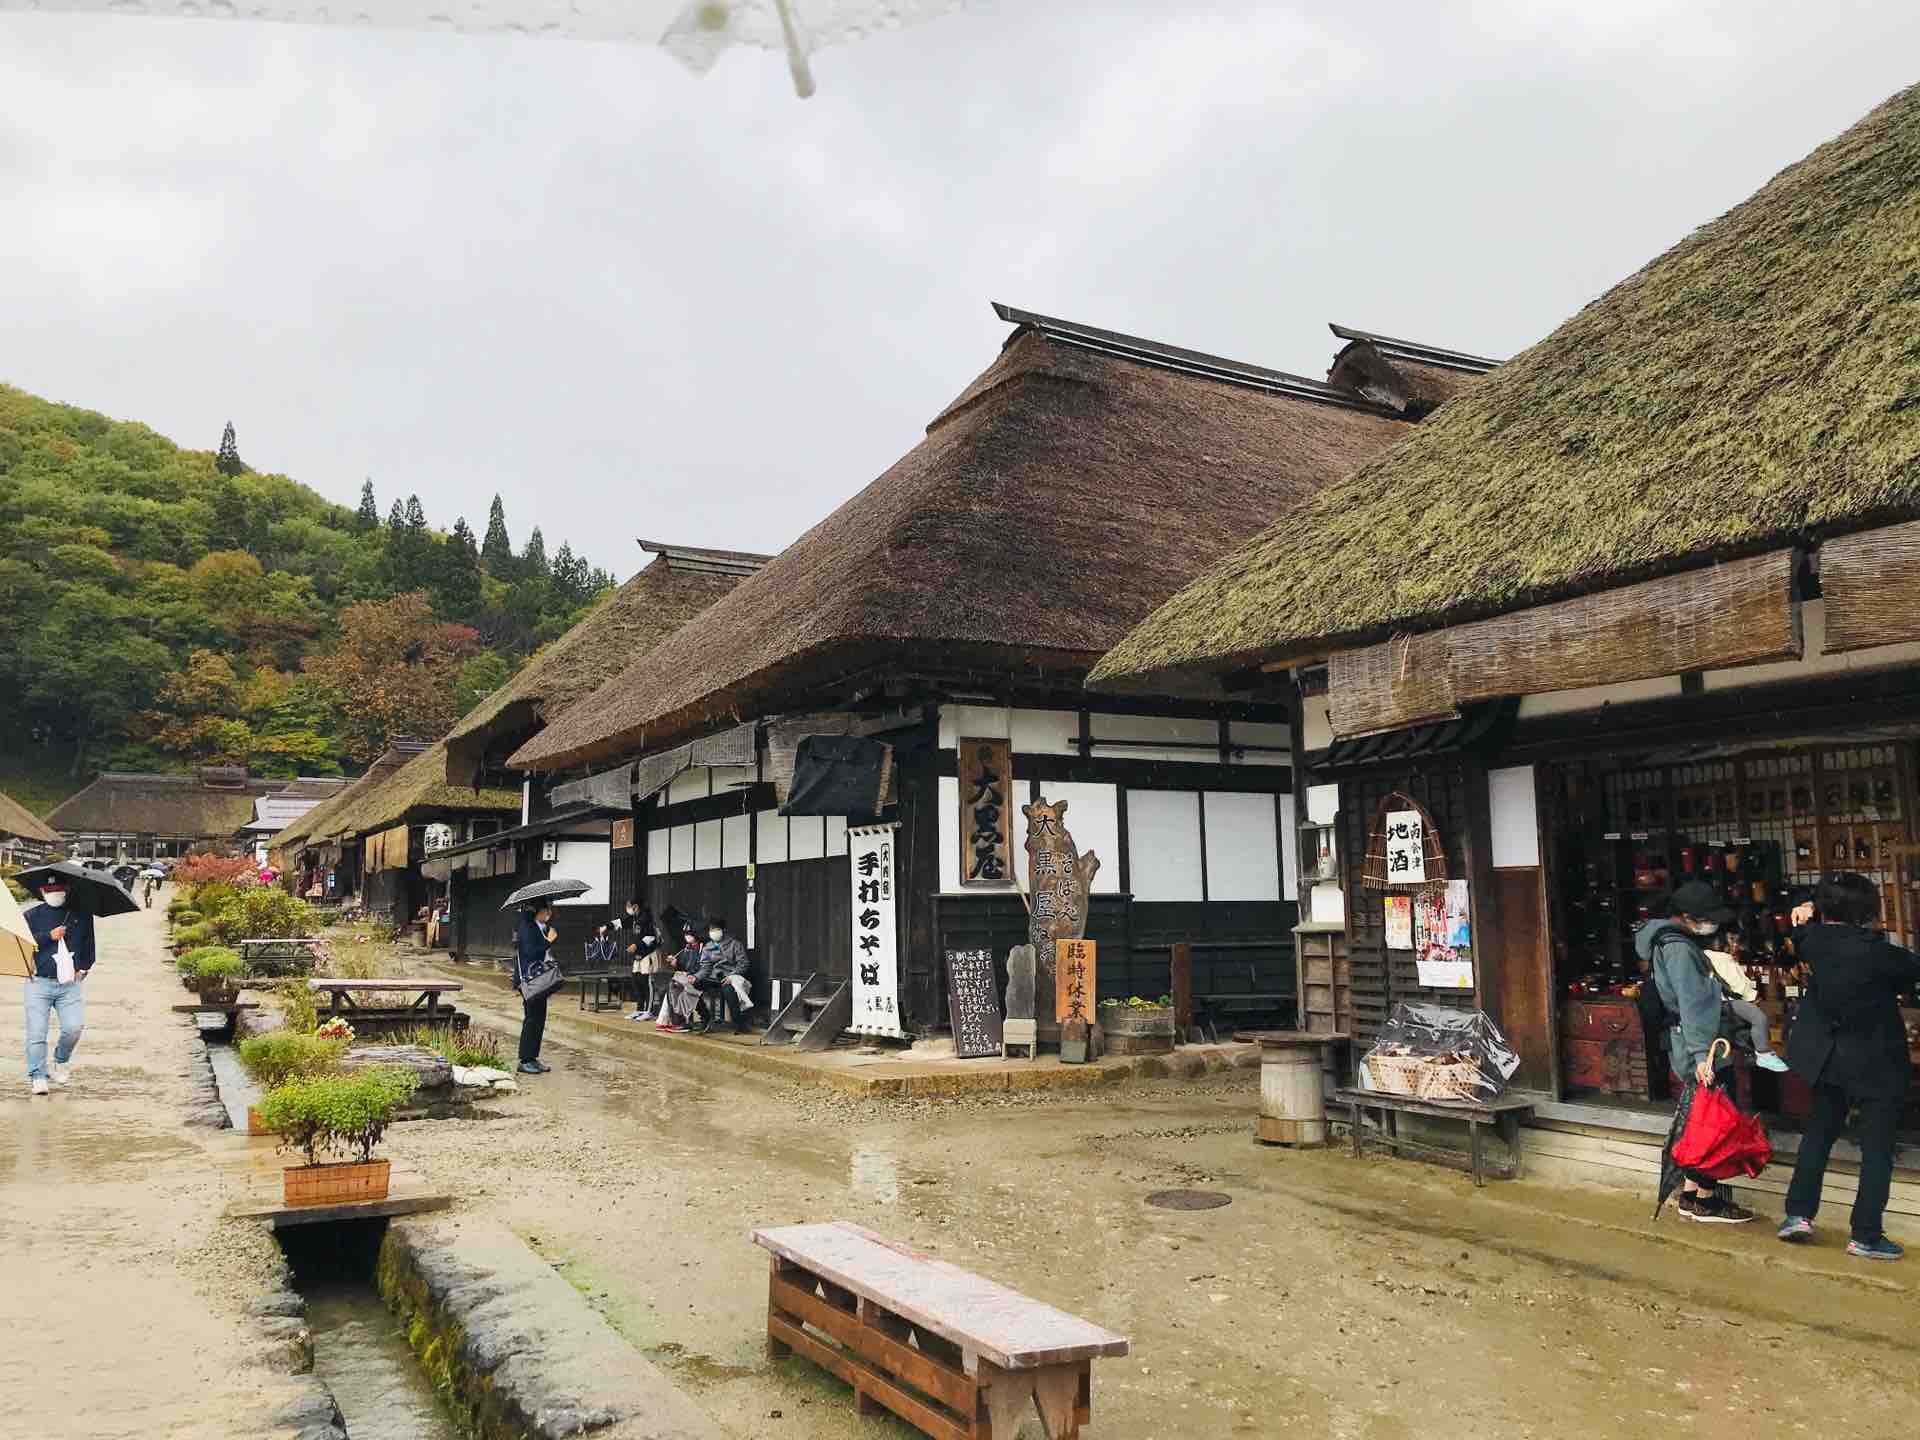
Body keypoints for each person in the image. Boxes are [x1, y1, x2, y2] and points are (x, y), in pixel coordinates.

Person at [1778, 873, 1920, 1260]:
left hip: (1828, 1059)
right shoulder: (1882, 954)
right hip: (1876, 1062)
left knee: (1819, 1135)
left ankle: (1798, 1215)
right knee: (1876, 1149)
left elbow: (1805, 925)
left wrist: (1807, 908)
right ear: (1868, 911)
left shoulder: (1811, 942)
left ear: (1824, 909)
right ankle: (1866, 1235)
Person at [1637, 879, 1758, 1224]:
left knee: (1701, 1119)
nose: (1712, 925)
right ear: (1687, 916)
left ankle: (1690, 1195)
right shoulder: (1679, 949)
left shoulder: (1669, 942)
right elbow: (1693, 1005)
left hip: (1691, 1044)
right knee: (1717, 1121)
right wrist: (1702, 1056)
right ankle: (1707, 1200)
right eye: (1708, 918)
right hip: (1701, 1049)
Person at [23, 877, 95, 1098]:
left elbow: (89, 944)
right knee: (36, 1033)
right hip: (38, 982)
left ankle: (61, 1060)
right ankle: (38, 1075)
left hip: (69, 985)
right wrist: (48, 936)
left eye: (59, 888)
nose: (55, 891)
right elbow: (24, 944)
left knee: (74, 1028)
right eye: (49, 888)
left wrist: (83, 968)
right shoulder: (31, 916)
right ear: (42, 890)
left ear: (67, 889)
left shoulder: (82, 915)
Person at [512, 903, 558, 1075]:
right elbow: (532, 953)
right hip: (530, 980)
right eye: (546, 911)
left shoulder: (534, 926)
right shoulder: (527, 927)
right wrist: (549, 941)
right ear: (537, 912)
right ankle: (525, 1060)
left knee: (539, 1018)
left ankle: (532, 1057)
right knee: (532, 1018)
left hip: (537, 980)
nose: (548, 914)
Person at [696, 915, 753, 1035]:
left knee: (729, 991)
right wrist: (696, 977)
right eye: (711, 930)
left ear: (723, 930)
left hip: (730, 977)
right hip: (713, 978)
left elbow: (743, 963)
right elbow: (705, 968)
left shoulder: (734, 944)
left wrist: (732, 976)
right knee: (692, 985)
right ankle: (705, 1018)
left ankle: (739, 1024)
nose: (713, 932)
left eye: (716, 929)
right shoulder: (708, 947)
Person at [656, 920, 705, 1033]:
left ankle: (684, 1021)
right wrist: (675, 963)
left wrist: (689, 973)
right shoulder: (687, 948)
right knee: (669, 987)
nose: (687, 936)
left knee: (681, 989)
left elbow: (702, 967)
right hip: (686, 978)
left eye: (689, 933)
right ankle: (677, 1021)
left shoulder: (703, 948)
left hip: (698, 978)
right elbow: (682, 966)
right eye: (685, 934)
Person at [617, 898, 660, 1021]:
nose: (628, 909)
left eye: (629, 906)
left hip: (648, 954)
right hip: (638, 956)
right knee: (637, 981)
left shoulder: (646, 918)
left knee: (647, 983)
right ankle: (639, 1009)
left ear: (635, 906)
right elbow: (621, 922)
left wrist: (636, 945)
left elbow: (651, 937)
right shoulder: (635, 919)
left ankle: (649, 1011)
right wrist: (606, 926)